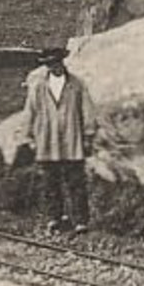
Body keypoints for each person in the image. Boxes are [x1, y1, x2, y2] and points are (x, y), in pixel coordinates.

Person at [20, 46, 96, 234]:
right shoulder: (38, 87)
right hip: (47, 141)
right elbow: (30, 112)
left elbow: (87, 111)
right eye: (51, 64)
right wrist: (28, 136)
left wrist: (88, 134)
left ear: (63, 62)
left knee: (76, 181)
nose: (56, 67)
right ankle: (55, 217)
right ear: (46, 66)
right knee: (50, 183)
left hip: (72, 140)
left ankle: (80, 220)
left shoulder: (77, 85)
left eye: (58, 62)